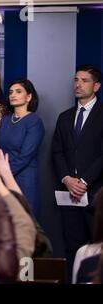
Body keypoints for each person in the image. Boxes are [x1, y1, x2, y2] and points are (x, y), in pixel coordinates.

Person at [52, 64, 103, 280]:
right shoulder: (65, 116)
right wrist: (67, 179)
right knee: (72, 246)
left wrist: (83, 181)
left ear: (96, 86)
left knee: (96, 246)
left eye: (84, 80)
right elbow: (57, 152)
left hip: (95, 193)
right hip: (68, 194)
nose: (78, 84)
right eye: (76, 80)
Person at [0, 79, 45, 216]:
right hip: (2, 177)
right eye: (10, 92)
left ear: (29, 97)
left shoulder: (34, 121)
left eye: (18, 91)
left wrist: (5, 173)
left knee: (24, 221)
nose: (13, 95)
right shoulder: (5, 120)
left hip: (23, 178)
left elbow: (25, 156)